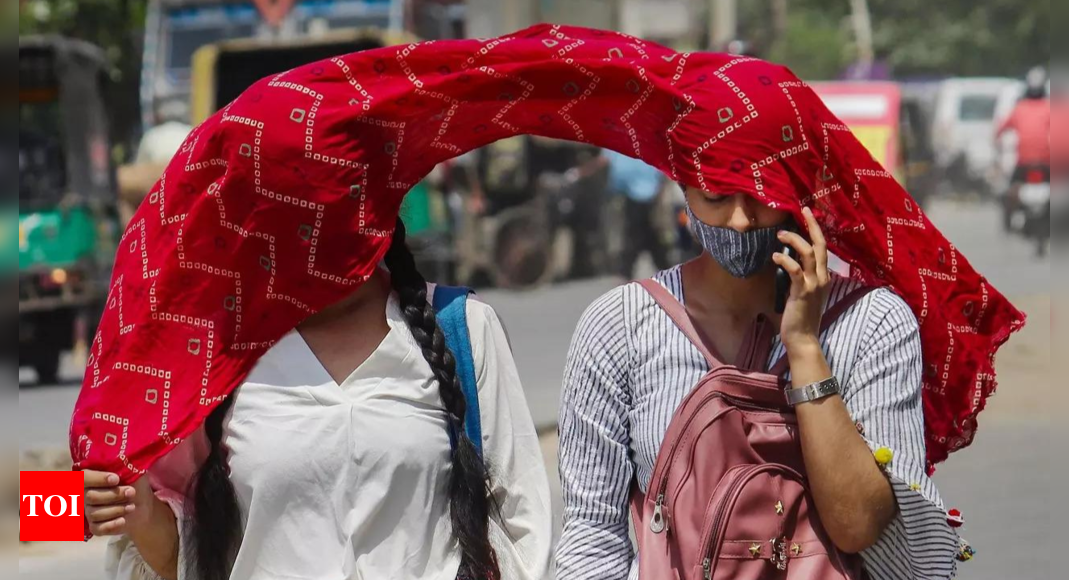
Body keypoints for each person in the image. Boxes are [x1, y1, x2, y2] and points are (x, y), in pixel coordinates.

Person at [82, 221, 553, 580]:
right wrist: (120, 510)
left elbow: (524, 529)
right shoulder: (209, 351)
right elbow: (50, 510)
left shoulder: (463, 326)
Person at [556, 190, 961, 579]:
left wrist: (804, 347)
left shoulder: (873, 323)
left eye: (760, 195)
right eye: (715, 197)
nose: (739, 220)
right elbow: (592, 531)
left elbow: (856, 525)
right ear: (683, 187)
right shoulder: (619, 326)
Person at [603, 149, 673, 279]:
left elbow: (617, 176)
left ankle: (625, 272)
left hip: (633, 198)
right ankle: (667, 271)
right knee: (651, 236)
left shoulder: (620, 148)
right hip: (652, 197)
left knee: (634, 237)